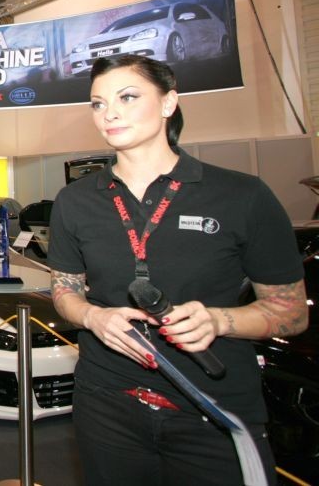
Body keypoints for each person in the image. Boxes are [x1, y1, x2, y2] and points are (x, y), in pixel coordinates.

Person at [48, 55, 307, 486]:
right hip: (106, 405)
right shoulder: (75, 201)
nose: (109, 113)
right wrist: (92, 316)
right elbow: (64, 289)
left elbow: (292, 312)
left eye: (127, 97)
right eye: (98, 103)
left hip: (211, 409)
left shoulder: (242, 196)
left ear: (169, 103)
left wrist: (219, 320)